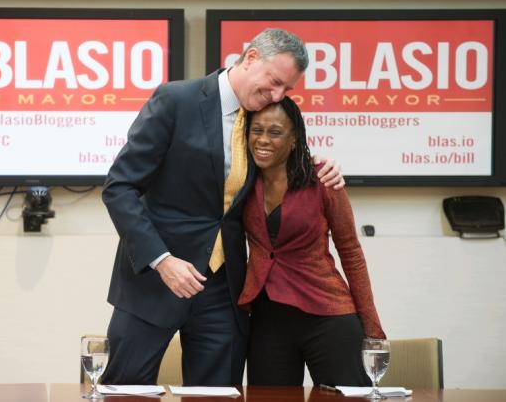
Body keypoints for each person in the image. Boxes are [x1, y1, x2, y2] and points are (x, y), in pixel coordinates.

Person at [101, 28, 344, 386]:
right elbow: (119, 187)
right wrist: (161, 260)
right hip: (156, 280)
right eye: (274, 81)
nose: (276, 95)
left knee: (218, 396)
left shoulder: (261, 122)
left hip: (222, 290)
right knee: (124, 392)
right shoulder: (175, 100)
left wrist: (324, 167)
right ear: (250, 58)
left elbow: (281, 164)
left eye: (286, 90)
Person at [238, 96, 386, 387]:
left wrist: (371, 325)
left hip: (327, 315)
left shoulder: (322, 179)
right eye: (257, 130)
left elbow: (350, 251)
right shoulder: (242, 179)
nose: (263, 140)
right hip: (268, 319)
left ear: (295, 137)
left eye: (275, 132)